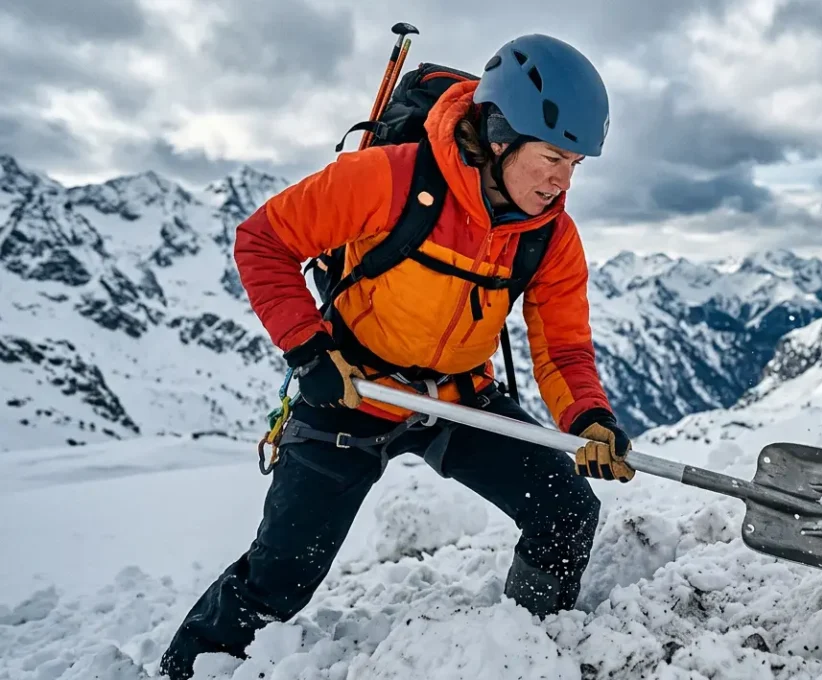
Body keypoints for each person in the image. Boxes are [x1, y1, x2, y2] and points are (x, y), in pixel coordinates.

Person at [158, 34, 634, 679]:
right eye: (552, 157)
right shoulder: (388, 179)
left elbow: (564, 344)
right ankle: (182, 671)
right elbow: (264, 241)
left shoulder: (550, 236)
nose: (561, 181)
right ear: (499, 136)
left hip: (458, 399)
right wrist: (309, 352)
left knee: (567, 513)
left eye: (575, 164)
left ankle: (528, 652)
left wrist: (588, 419)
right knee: (282, 574)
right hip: (350, 390)